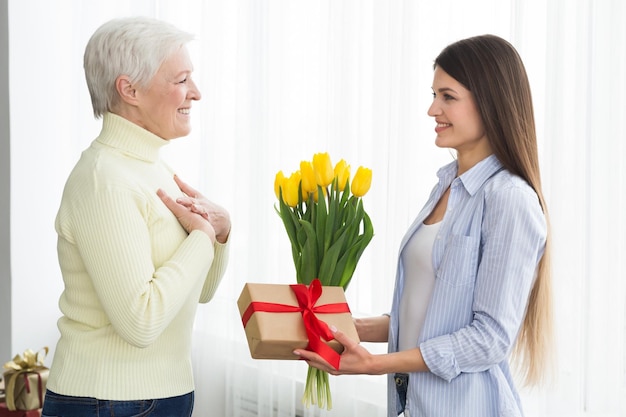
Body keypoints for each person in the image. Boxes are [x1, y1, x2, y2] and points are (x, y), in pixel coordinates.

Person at [294, 34, 553, 417]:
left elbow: (489, 340)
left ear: (490, 101)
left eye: (447, 96)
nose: (433, 109)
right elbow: (429, 312)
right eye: (433, 95)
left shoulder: (509, 199)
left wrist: (374, 364)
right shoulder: (446, 185)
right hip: (412, 406)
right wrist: (352, 328)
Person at [42, 17, 230, 417]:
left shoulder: (153, 169)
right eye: (181, 80)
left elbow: (198, 291)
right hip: (107, 401)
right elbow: (140, 322)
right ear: (129, 89)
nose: (195, 93)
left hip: (161, 396)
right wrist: (200, 238)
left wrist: (220, 232)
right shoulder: (104, 180)